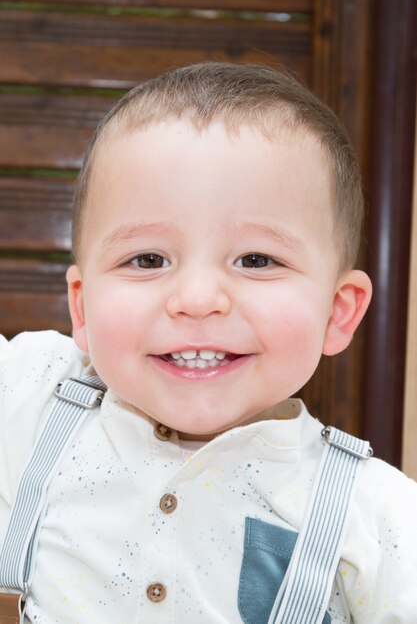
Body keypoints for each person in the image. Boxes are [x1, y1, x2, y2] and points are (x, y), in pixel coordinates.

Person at [0, 62, 416, 624]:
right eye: (147, 259)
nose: (197, 299)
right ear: (81, 306)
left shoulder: (379, 521)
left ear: (337, 312)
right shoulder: (30, 398)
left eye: (257, 260)